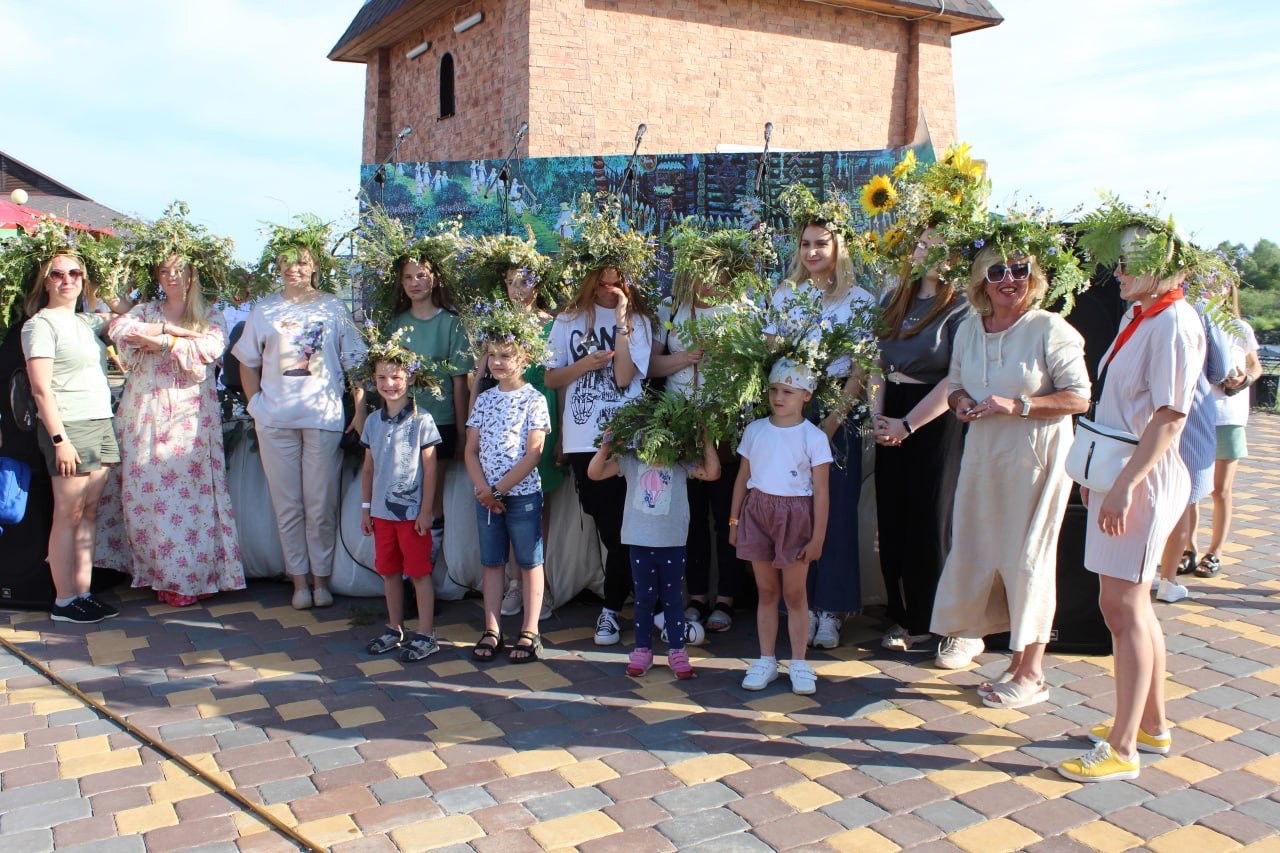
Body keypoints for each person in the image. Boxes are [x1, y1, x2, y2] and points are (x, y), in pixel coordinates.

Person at [1057, 214, 1205, 783]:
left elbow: (1170, 416)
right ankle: (1152, 725)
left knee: (1123, 608)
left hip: (1142, 477)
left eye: (1128, 263)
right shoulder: (1140, 315)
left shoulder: (1174, 323)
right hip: (1121, 472)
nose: (1117, 271)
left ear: (1161, 268)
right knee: (1125, 606)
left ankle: (1123, 749)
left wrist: (1123, 488)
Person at [932, 244, 1090, 709]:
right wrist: (960, 402)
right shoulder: (967, 328)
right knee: (978, 552)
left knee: (1028, 561)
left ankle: (1032, 672)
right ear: (981, 279)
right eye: (997, 271)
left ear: (1033, 276)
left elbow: (1079, 397)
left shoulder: (1049, 327)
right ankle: (992, 650)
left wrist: (1019, 406)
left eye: (1019, 270)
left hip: (1035, 461)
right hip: (982, 458)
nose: (1009, 279)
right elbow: (956, 382)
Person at [233, 225, 368, 609]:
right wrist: (255, 403)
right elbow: (247, 361)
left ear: (314, 266)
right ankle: (299, 582)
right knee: (288, 505)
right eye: (286, 262)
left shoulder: (332, 307)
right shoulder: (265, 309)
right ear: (277, 266)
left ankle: (322, 580)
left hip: (323, 417)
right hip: (275, 419)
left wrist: (358, 410)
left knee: (319, 503)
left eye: (302, 262)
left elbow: (354, 362)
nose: (294, 268)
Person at [100, 255, 243, 606]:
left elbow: (210, 347)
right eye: (164, 270)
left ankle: (188, 575)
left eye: (179, 270)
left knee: (187, 498)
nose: (172, 277)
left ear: (193, 274)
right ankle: (155, 572)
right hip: (144, 415)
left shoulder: (209, 314)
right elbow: (119, 330)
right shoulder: (148, 310)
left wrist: (166, 343)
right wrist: (168, 330)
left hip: (188, 419)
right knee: (146, 495)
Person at [767, 221, 875, 650]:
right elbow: (772, 354)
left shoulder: (860, 300)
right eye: (805, 245)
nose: (812, 252)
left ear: (838, 247)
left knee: (836, 512)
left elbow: (861, 368)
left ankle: (831, 610)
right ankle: (801, 605)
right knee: (794, 512)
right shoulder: (785, 295)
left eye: (821, 244)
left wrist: (830, 422)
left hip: (839, 415)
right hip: (791, 411)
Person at [869, 228, 968, 652]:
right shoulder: (895, 299)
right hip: (889, 406)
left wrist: (908, 424)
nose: (929, 253)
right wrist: (878, 416)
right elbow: (874, 360)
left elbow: (955, 377)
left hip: (932, 417)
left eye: (942, 246)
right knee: (891, 518)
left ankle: (931, 619)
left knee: (929, 518)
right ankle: (898, 613)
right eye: (924, 243)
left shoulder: (962, 307)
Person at [545, 265, 654, 646]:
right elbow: (550, 378)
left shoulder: (639, 320)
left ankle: (612, 609)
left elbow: (624, 377)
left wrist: (622, 318)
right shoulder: (568, 319)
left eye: (618, 280)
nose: (610, 288)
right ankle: (644, 604)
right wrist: (583, 366)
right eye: (603, 281)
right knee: (608, 527)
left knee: (630, 528)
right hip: (582, 437)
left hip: (629, 436)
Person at [648, 260, 753, 634]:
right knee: (689, 517)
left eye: (716, 271)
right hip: (679, 424)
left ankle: (726, 597)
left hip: (724, 425)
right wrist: (685, 358)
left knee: (728, 512)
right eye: (700, 271)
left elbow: (752, 368)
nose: (709, 281)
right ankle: (695, 596)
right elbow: (651, 367)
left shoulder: (741, 308)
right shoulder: (670, 307)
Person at [21, 253, 121, 623]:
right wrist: (60, 439)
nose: (67, 280)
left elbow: (125, 315)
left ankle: (84, 591)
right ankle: (64, 600)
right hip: (70, 426)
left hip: (100, 420)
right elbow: (40, 389)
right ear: (45, 281)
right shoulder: (40, 325)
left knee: (90, 512)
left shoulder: (85, 321)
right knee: (69, 513)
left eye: (75, 273)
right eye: (57, 274)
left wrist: (107, 285)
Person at [730, 359, 832, 695]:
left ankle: (800, 663)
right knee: (768, 591)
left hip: (795, 516)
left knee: (794, 593)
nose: (778, 397)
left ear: (806, 394)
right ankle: (766, 659)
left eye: (787, 391)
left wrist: (817, 537)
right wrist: (734, 521)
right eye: (774, 389)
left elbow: (821, 492)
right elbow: (742, 478)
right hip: (758, 512)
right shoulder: (755, 430)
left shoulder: (813, 437)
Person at [468, 265, 563, 620]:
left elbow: (557, 378)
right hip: (498, 417)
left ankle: (539, 584)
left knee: (536, 509)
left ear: (538, 282)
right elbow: (481, 372)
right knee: (502, 507)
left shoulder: (553, 324)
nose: (516, 289)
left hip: (536, 413)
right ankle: (512, 585)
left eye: (523, 280)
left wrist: (562, 435)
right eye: (508, 282)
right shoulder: (496, 326)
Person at [588, 426, 720, 679]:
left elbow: (713, 472)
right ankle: (642, 650)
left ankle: (677, 651)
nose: (657, 444)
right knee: (644, 600)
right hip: (639, 543)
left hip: (672, 543)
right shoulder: (631, 460)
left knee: (672, 599)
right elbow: (594, 473)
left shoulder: (682, 462)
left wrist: (706, 440)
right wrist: (605, 447)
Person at [464, 317, 551, 663]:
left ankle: (530, 630)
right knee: (492, 561)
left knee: (529, 561)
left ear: (525, 358)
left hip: (522, 495)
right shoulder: (484, 400)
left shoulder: (534, 399)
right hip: (487, 498)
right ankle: (492, 627)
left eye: (507, 355)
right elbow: (470, 450)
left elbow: (534, 452)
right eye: (493, 355)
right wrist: (483, 489)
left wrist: (498, 490)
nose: (498, 362)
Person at [359, 344, 442, 662]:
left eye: (395, 376)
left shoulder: (423, 420)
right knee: (389, 571)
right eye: (382, 377)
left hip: (412, 516)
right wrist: (366, 509)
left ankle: (426, 633)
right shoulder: (372, 422)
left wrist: (425, 511)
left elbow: (431, 467)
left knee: (419, 572)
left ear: (410, 377)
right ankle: (394, 628)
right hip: (381, 515)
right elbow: (368, 468)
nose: (389, 383)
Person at [390, 255, 474, 549]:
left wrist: (464, 432)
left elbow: (459, 381)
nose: (415, 283)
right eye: (408, 277)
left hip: (441, 420)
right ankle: (409, 566)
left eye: (421, 275)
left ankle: (428, 565)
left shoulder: (451, 323)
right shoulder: (397, 325)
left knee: (432, 496)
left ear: (435, 278)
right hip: (404, 421)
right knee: (405, 492)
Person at [1197, 287, 1262, 580]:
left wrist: (1243, 378)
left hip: (1229, 415)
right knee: (1191, 489)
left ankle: (1215, 552)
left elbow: (1255, 366)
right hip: (1198, 413)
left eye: (1222, 284)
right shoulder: (1193, 319)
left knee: (1221, 489)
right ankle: (1187, 548)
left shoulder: (1239, 327)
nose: (1214, 289)